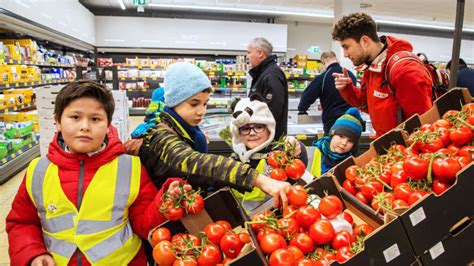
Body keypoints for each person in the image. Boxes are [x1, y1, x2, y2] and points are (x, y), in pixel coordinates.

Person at [6, 80, 190, 265]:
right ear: (57, 122)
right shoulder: (38, 171)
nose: (85, 126)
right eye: (75, 117)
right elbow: (21, 223)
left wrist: (164, 202)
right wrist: (33, 254)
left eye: (95, 119)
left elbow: (143, 224)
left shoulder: (130, 168)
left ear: (108, 124)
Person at [124, 62, 291, 208]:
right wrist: (258, 179)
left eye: (205, 104)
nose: (201, 112)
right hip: (163, 218)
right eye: (194, 104)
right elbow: (191, 161)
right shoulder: (160, 135)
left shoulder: (189, 132)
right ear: (174, 101)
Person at [331, 12, 433, 137]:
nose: (345, 54)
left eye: (346, 47)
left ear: (364, 41)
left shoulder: (405, 70)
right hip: (387, 146)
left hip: (404, 151)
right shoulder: (372, 67)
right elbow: (366, 104)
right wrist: (347, 89)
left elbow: (423, 124)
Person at [229, 94, 308, 213]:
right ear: (238, 133)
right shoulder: (235, 159)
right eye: (246, 129)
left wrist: (297, 150)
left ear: (269, 129)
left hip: (281, 220)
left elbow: (297, 165)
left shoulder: (278, 153)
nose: (252, 133)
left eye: (259, 127)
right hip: (248, 223)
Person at [298, 51, 356, 135]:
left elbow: (307, 97)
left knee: (333, 146)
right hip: (351, 120)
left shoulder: (323, 77)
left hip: (333, 123)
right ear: (336, 59)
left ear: (324, 61)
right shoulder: (350, 74)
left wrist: (302, 109)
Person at [247, 37, 288, 140]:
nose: (247, 56)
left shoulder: (272, 75)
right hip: (259, 136)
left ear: (260, 53)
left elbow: (273, 110)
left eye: (249, 52)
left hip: (268, 141)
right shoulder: (263, 73)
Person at [310, 107, 363, 176]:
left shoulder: (351, 164)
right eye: (341, 136)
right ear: (332, 134)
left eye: (350, 141)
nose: (344, 143)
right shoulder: (312, 152)